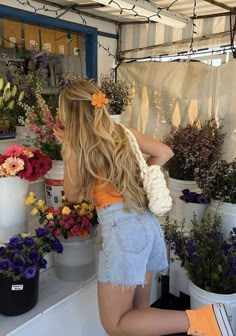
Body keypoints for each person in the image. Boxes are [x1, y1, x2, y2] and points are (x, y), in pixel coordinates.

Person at [54, 78, 234, 336]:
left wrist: (68, 148)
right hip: (146, 224)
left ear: (70, 114)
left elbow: (71, 196)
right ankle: (205, 320)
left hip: (121, 233)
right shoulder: (124, 134)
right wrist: (136, 177)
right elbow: (165, 152)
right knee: (138, 315)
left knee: (115, 324)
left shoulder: (79, 146)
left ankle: (205, 319)